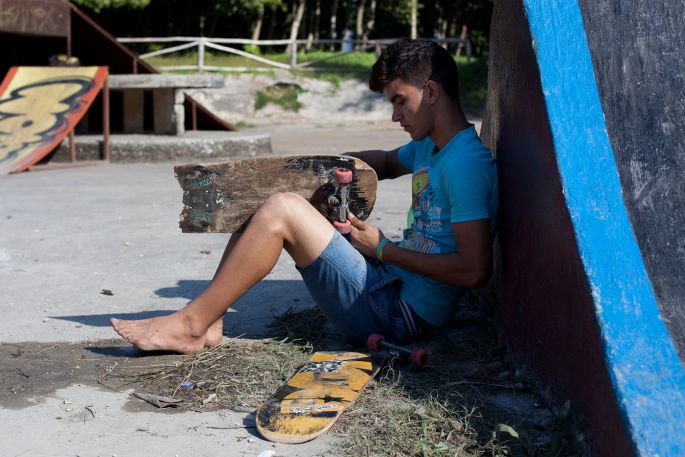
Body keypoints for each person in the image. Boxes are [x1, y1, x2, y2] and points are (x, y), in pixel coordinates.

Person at [111, 39, 498, 354]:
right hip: (388, 283)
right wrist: (316, 167)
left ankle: (191, 326)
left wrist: (383, 249)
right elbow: (383, 161)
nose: (396, 116)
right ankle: (209, 322)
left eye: (400, 100)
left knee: (282, 209)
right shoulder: (430, 147)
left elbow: (475, 271)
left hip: (399, 315)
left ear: (431, 91)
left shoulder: (465, 164)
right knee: (269, 193)